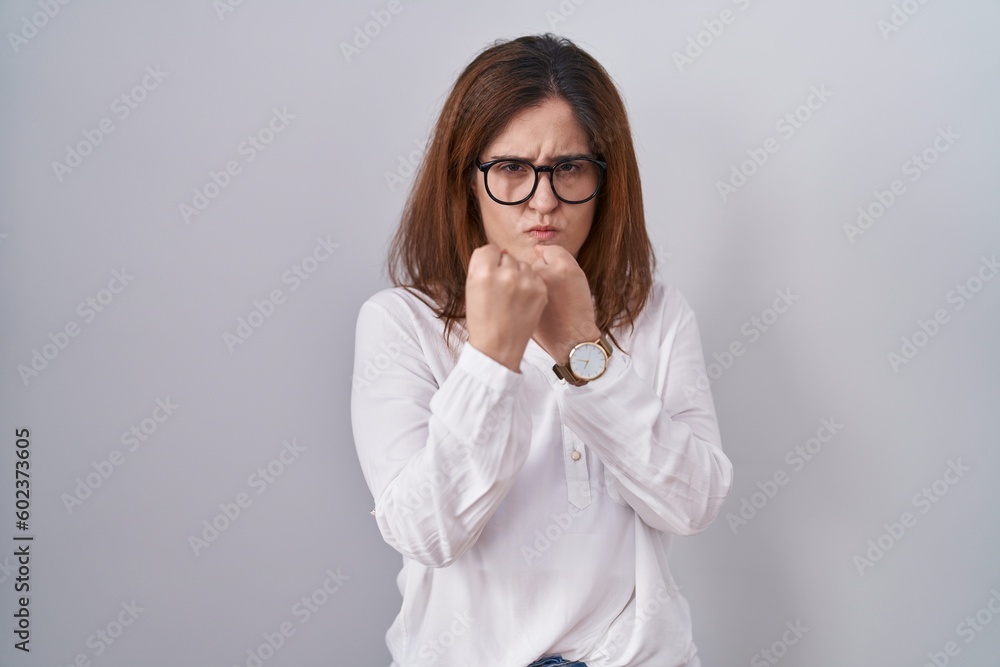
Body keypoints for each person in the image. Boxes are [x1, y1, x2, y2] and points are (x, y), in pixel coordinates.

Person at [351, 33, 733, 667]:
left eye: (569, 168)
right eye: (511, 169)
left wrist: (584, 350)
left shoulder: (658, 314)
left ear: (605, 180)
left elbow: (693, 504)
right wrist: (491, 360)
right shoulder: (400, 323)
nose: (544, 201)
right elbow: (426, 533)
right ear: (466, 182)